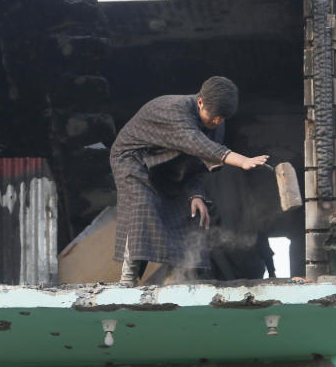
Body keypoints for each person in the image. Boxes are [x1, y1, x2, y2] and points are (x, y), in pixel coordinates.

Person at [111, 76, 268, 286]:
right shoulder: (174, 110)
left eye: (222, 119)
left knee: (193, 212)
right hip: (134, 159)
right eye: (214, 117)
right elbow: (197, 144)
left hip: (168, 167)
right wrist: (242, 161)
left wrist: (196, 194)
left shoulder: (216, 124)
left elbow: (199, 165)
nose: (216, 122)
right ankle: (128, 279)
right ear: (200, 101)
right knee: (142, 206)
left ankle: (177, 278)